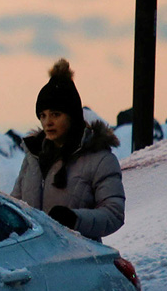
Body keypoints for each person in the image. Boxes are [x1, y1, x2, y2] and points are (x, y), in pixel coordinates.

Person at [11, 59, 126, 240]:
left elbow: (114, 214)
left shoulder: (100, 159)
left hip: (78, 259)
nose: (47, 122)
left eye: (56, 114)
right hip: (33, 260)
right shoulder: (33, 156)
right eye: (43, 115)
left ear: (72, 116)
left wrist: (75, 219)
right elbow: (14, 207)